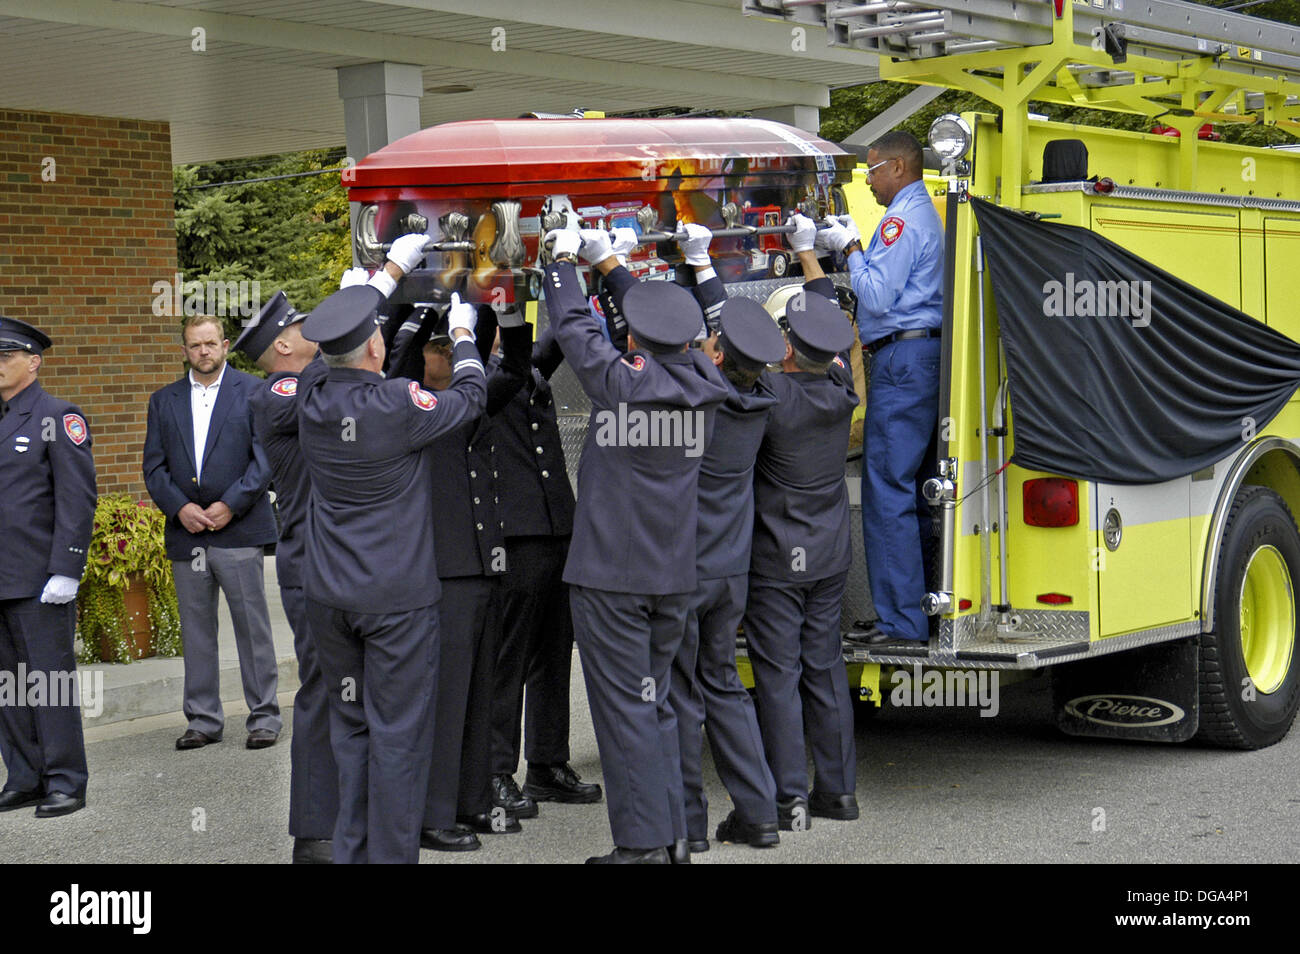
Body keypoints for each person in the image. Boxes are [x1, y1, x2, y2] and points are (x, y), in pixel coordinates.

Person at [544, 227, 730, 864]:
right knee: (659, 708)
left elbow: (575, 331)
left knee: (626, 713)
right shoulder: (703, 377)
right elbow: (657, 326)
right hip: (672, 574)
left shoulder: (625, 383)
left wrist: (563, 261)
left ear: (633, 340)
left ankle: (644, 847)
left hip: (612, 579)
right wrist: (611, 265)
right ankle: (675, 836)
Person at [297, 285, 485, 864]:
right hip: (396, 602)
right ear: (376, 351)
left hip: (331, 598)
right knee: (399, 739)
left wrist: (379, 284)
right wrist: (462, 334)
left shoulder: (310, 395)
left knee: (351, 734)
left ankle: (353, 854)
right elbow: (471, 396)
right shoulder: (399, 402)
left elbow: (317, 360)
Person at [667, 222, 789, 852]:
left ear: (714, 356)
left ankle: (690, 825)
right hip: (730, 574)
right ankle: (759, 813)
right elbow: (735, 343)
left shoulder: (698, 395)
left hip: (685, 571)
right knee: (724, 686)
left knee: (683, 692)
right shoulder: (762, 396)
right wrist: (703, 264)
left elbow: (664, 336)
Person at [743, 238, 861, 831]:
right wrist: (812, 257)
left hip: (776, 558)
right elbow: (830, 329)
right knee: (825, 670)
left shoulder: (773, 394)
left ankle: (789, 795)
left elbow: (738, 352)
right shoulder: (842, 393)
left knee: (778, 676)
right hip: (830, 554)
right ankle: (838, 793)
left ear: (788, 347)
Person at [823, 130, 944, 648]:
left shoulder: (900, 222)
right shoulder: (922, 213)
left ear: (897, 167)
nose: (866, 180)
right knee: (912, 493)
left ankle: (901, 624)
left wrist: (849, 246)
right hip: (919, 354)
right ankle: (915, 613)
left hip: (901, 358)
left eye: (871, 170)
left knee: (887, 491)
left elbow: (873, 296)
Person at [143, 315, 281, 751]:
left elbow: (265, 460)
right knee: (197, 631)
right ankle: (203, 719)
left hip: (238, 530)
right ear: (184, 350)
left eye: (209, 343)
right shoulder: (163, 401)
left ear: (224, 345)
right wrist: (180, 508)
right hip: (188, 534)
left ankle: (263, 717)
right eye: (194, 345)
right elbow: (154, 466)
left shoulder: (255, 393)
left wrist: (230, 505)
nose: (203, 352)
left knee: (252, 628)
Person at [234, 291, 336, 863]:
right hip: (310, 567)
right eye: (302, 325)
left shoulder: (314, 380)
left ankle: (349, 818)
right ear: (282, 343)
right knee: (321, 696)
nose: (314, 330)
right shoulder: (278, 391)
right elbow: (327, 385)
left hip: (333, 563)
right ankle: (315, 832)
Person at [0, 316, 96, 818]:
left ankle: (65, 779)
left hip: (39, 580)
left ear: (33, 363)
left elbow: (77, 500)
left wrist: (68, 569)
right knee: (8, 686)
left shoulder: (57, 416)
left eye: (4, 357)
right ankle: (25, 775)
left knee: (49, 683)